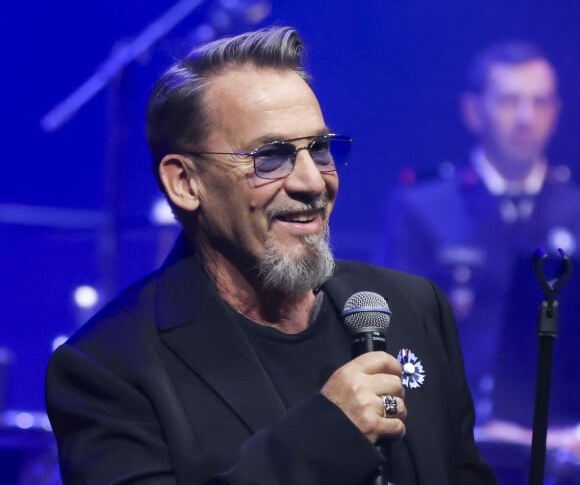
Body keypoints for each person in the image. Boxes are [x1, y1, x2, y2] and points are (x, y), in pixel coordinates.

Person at [45, 26, 496, 484]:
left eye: (319, 150)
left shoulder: (413, 308)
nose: (313, 182)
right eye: (271, 157)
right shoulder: (109, 368)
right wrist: (327, 435)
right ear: (184, 182)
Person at [373, 40, 580, 476]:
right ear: (473, 111)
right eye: (509, 100)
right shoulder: (423, 208)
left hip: (564, 437)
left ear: (555, 112)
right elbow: (392, 338)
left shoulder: (574, 210)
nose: (526, 117)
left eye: (539, 102)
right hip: (458, 438)